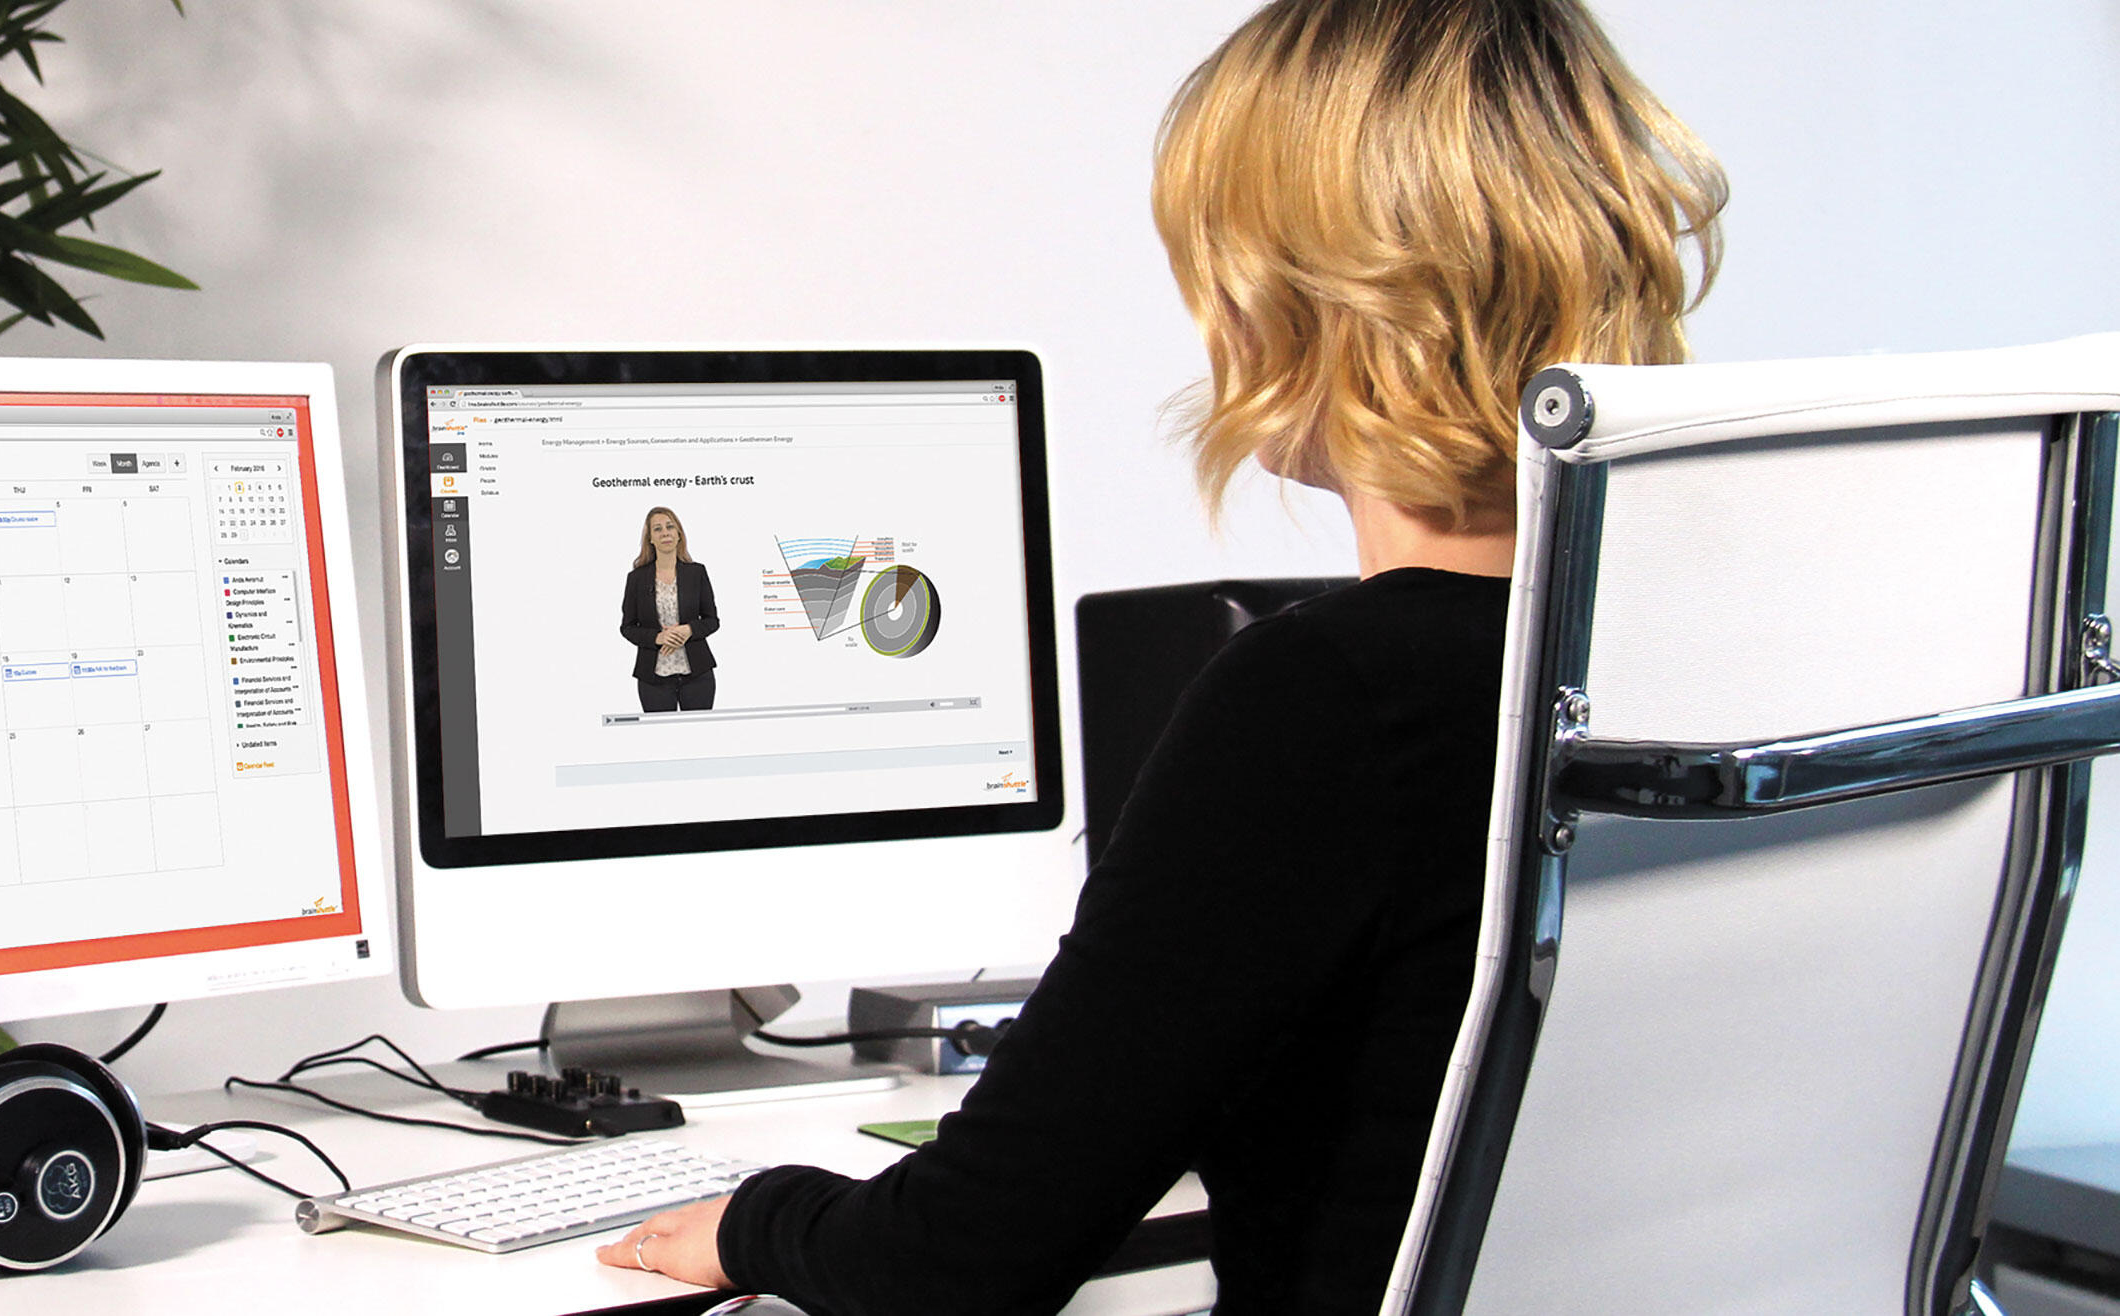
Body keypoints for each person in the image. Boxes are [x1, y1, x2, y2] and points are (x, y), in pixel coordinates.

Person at [598, 0, 1726, 1309]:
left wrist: (759, 1221)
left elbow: (960, 1261)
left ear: (1308, 299)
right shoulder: (1734, 662)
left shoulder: (1330, 703)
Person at [619, 506, 720, 712]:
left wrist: (688, 630)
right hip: (653, 678)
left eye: (670, 527)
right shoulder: (636, 578)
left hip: (697, 676)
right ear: (650, 539)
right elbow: (628, 627)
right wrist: (658, 638)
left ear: (678, 534)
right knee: (661, 741)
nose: (665, 532)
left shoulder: (697, 572)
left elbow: (712, 620)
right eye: (657, 529)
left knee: (701, 737)